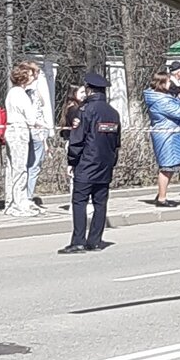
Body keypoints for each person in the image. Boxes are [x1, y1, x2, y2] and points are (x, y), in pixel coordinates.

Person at [59, 72, 121, 254]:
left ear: (89, 89)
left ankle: (78, 241)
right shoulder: (113, 113)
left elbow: (77, 140)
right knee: (100, 203)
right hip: (105, 164)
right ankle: (95, 240)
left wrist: (72, 161)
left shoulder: (85, 111)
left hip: (86, 164)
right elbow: (117, 142)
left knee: (79, 201)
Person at [143, 72, 180, 206]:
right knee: (166, 167)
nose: (170, 84)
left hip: (171, 134)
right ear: (161, 83)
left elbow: (174, 106)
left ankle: (161, 193)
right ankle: (162, 198)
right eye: (168, 82)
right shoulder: (160, 100)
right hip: (166, 136)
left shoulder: (162, 97)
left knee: (171, 167)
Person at [4, 62, 39, 216]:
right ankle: (19, 204)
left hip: (11, 129)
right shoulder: (21, 94)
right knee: (20, 169)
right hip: (19, 131)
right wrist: (42, 123)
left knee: (11, 169)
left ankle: (10, 202)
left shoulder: (11, 92)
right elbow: (31, 118)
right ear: (24, 77)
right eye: (31, 74)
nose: (33, 77)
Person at [24, 60, 51, 206]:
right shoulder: (29, 90)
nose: (38, 74)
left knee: (31, 165)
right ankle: (27, 197)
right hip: (35, 131)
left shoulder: (34, 88)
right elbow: (35, 115)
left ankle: (26, 196)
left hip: (38, 131)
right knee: (33, 166)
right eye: (36, 72)